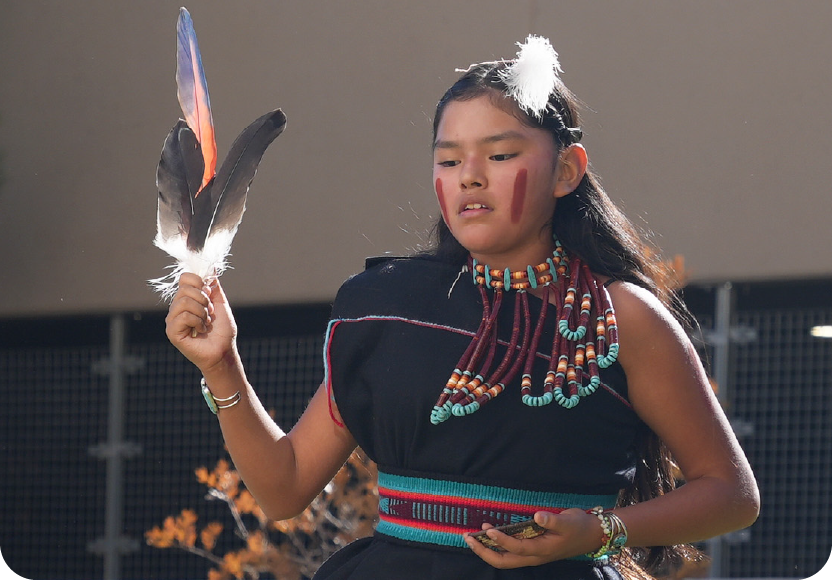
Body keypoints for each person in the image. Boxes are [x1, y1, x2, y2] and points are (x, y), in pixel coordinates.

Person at [165, 36, 759, 579]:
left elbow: (731, 494)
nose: (470, 177)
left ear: (567, 170)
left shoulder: (621, 316)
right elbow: (285, 487)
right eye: (449, 161)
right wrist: (222, 366)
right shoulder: (387, 309)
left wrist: (603, 531)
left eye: (500, 156)